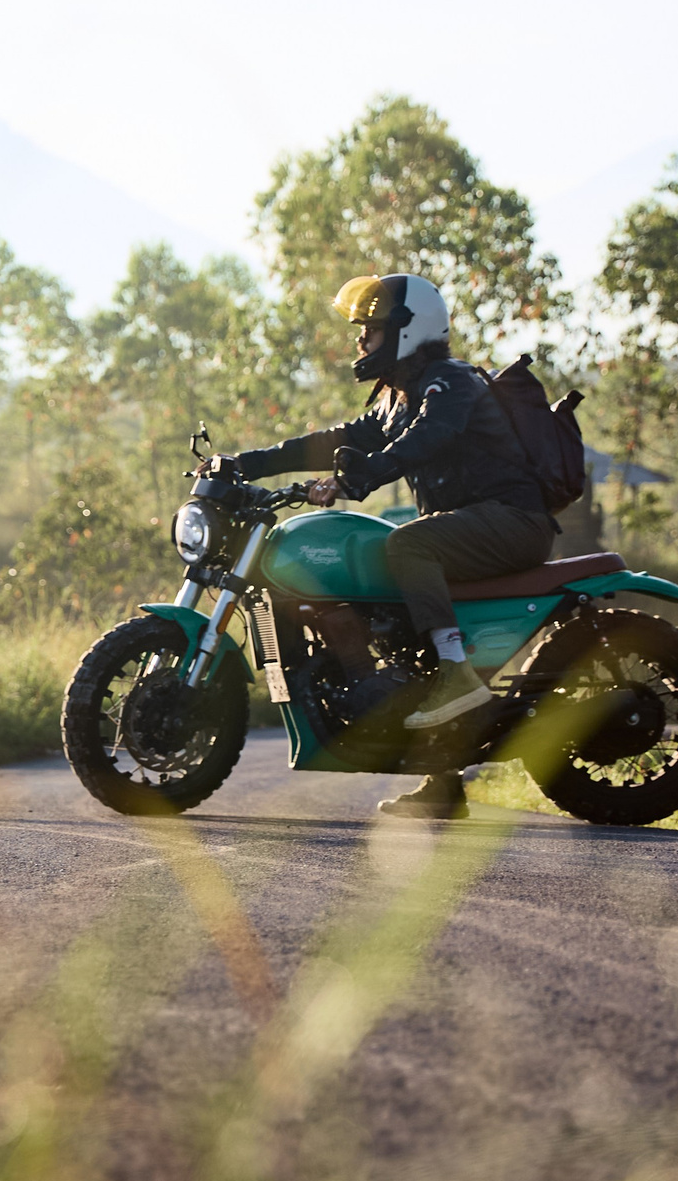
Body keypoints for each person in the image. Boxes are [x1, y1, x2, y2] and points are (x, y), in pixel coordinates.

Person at [220, 272, 553, 819]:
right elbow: (334, 440)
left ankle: (456, 674)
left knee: (406, 544)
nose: (361, 339)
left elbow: (431, 435)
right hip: (465, 530)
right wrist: (245, 463)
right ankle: (442, 783)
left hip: (512, 522)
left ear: (406, 329)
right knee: (401, 626)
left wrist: (360, 478)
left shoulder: (450, 381)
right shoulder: (396, 400)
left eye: (370, 329)